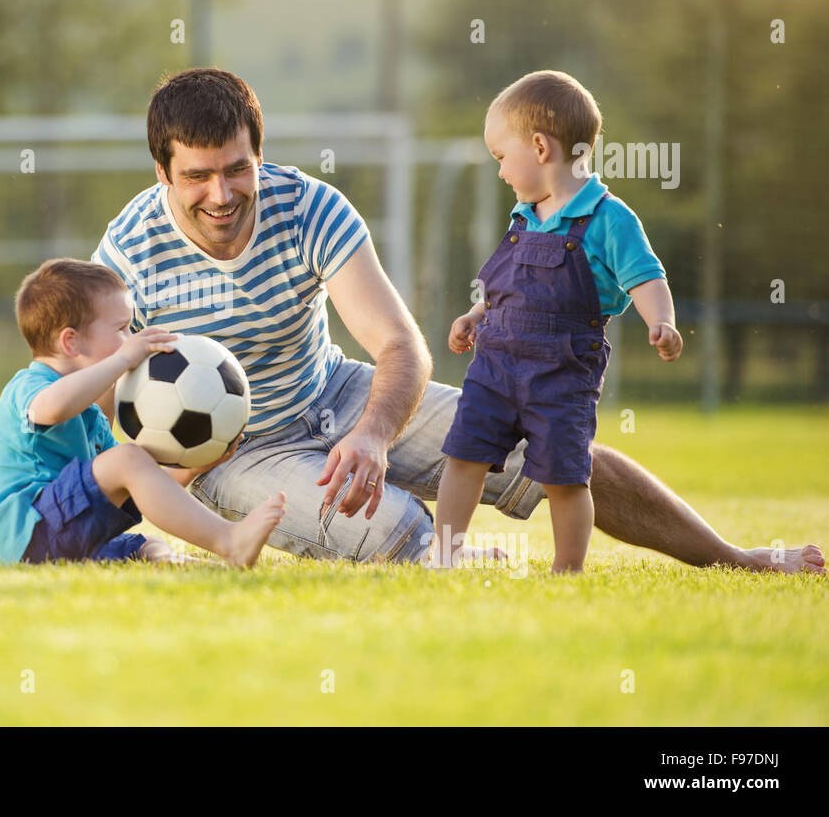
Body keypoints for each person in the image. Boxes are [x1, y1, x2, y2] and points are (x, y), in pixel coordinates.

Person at [91, 67, 824, 574]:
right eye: (197, 175)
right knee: (397, 534)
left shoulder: (309, 206)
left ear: (259, 155)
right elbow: (97, 389)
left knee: (558, 451)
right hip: (238, 456)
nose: (221, 193)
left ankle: (739, 558)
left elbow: (398, 344)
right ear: (164, 172)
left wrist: (373, 434)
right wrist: (161, 473)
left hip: (337, 395)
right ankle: (450, 554)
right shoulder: (126, 253)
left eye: (238, 168)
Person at [432, 71, 681, 573]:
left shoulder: (610, 219)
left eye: (502, 157)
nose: (501, 172)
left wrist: (662, 320)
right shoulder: (523, 216)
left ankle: (567, 569)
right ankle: (445, 554)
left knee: (566, 477)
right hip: (495, 365)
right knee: (463, 456)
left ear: (540, 147)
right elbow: (507, 286)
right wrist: (476, 314)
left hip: (562, 374)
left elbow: (645, 275)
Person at [0, 257, 285, 567]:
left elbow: (136, 487)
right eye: (122, 328)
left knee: (148, 546)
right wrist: (121, 360)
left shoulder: (91, 416)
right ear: (71, 341)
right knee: (128, 457)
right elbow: (52, 408)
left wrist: (195, 466)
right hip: (28, 532)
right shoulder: (30, 385)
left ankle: (182, 563)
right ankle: (229, 542)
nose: (130, 338)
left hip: (63, 532)